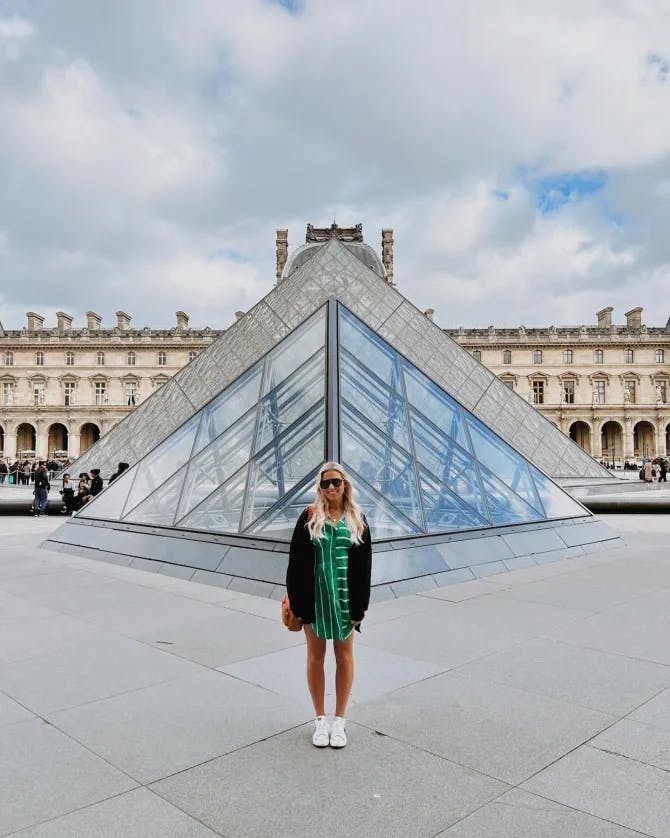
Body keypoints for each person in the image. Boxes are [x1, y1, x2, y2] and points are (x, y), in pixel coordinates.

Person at [286, 462, 372, 749]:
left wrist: (360, 609)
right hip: (315, 599)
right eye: (326, 483)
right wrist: (297, 603)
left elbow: (364, 568)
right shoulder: (310, 517)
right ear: (319, 487)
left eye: (336, 482)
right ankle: (320, 720)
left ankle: (340, 721)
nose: (331, 487)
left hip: (346, 598)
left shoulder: (358, 519)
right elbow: (296, 563)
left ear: (345, 484)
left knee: (344, 656)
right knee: (316, 657)